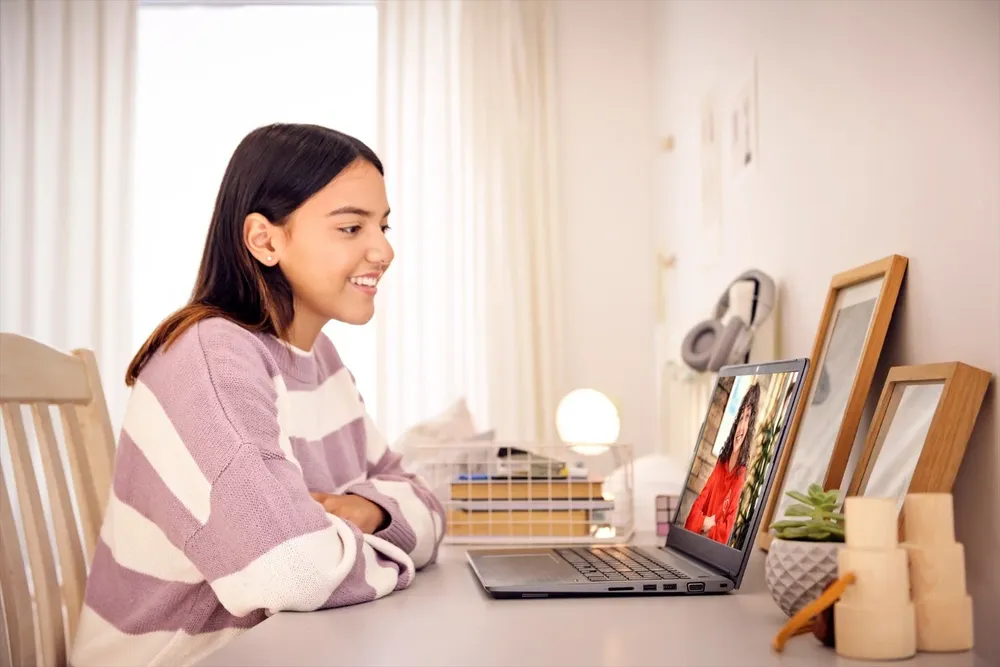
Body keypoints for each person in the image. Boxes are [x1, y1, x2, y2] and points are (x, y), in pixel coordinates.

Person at [71, 123, 446, 667]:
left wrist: (366, 512)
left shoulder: (322, 362)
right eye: (351, 228)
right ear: (265, 240)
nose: (384, 249)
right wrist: (394, 546)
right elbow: (293, 571)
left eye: (383, 226)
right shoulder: (209, 359)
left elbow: (427, 502)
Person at [684, 382, 761, 544]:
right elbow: (695, 510)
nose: (741, 427)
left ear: (751, 426)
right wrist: (704, 523)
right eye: (740, 418)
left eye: (747, 418)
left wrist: (704, 526)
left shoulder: (740, 475)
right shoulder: (721, 463)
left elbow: (725, 532)